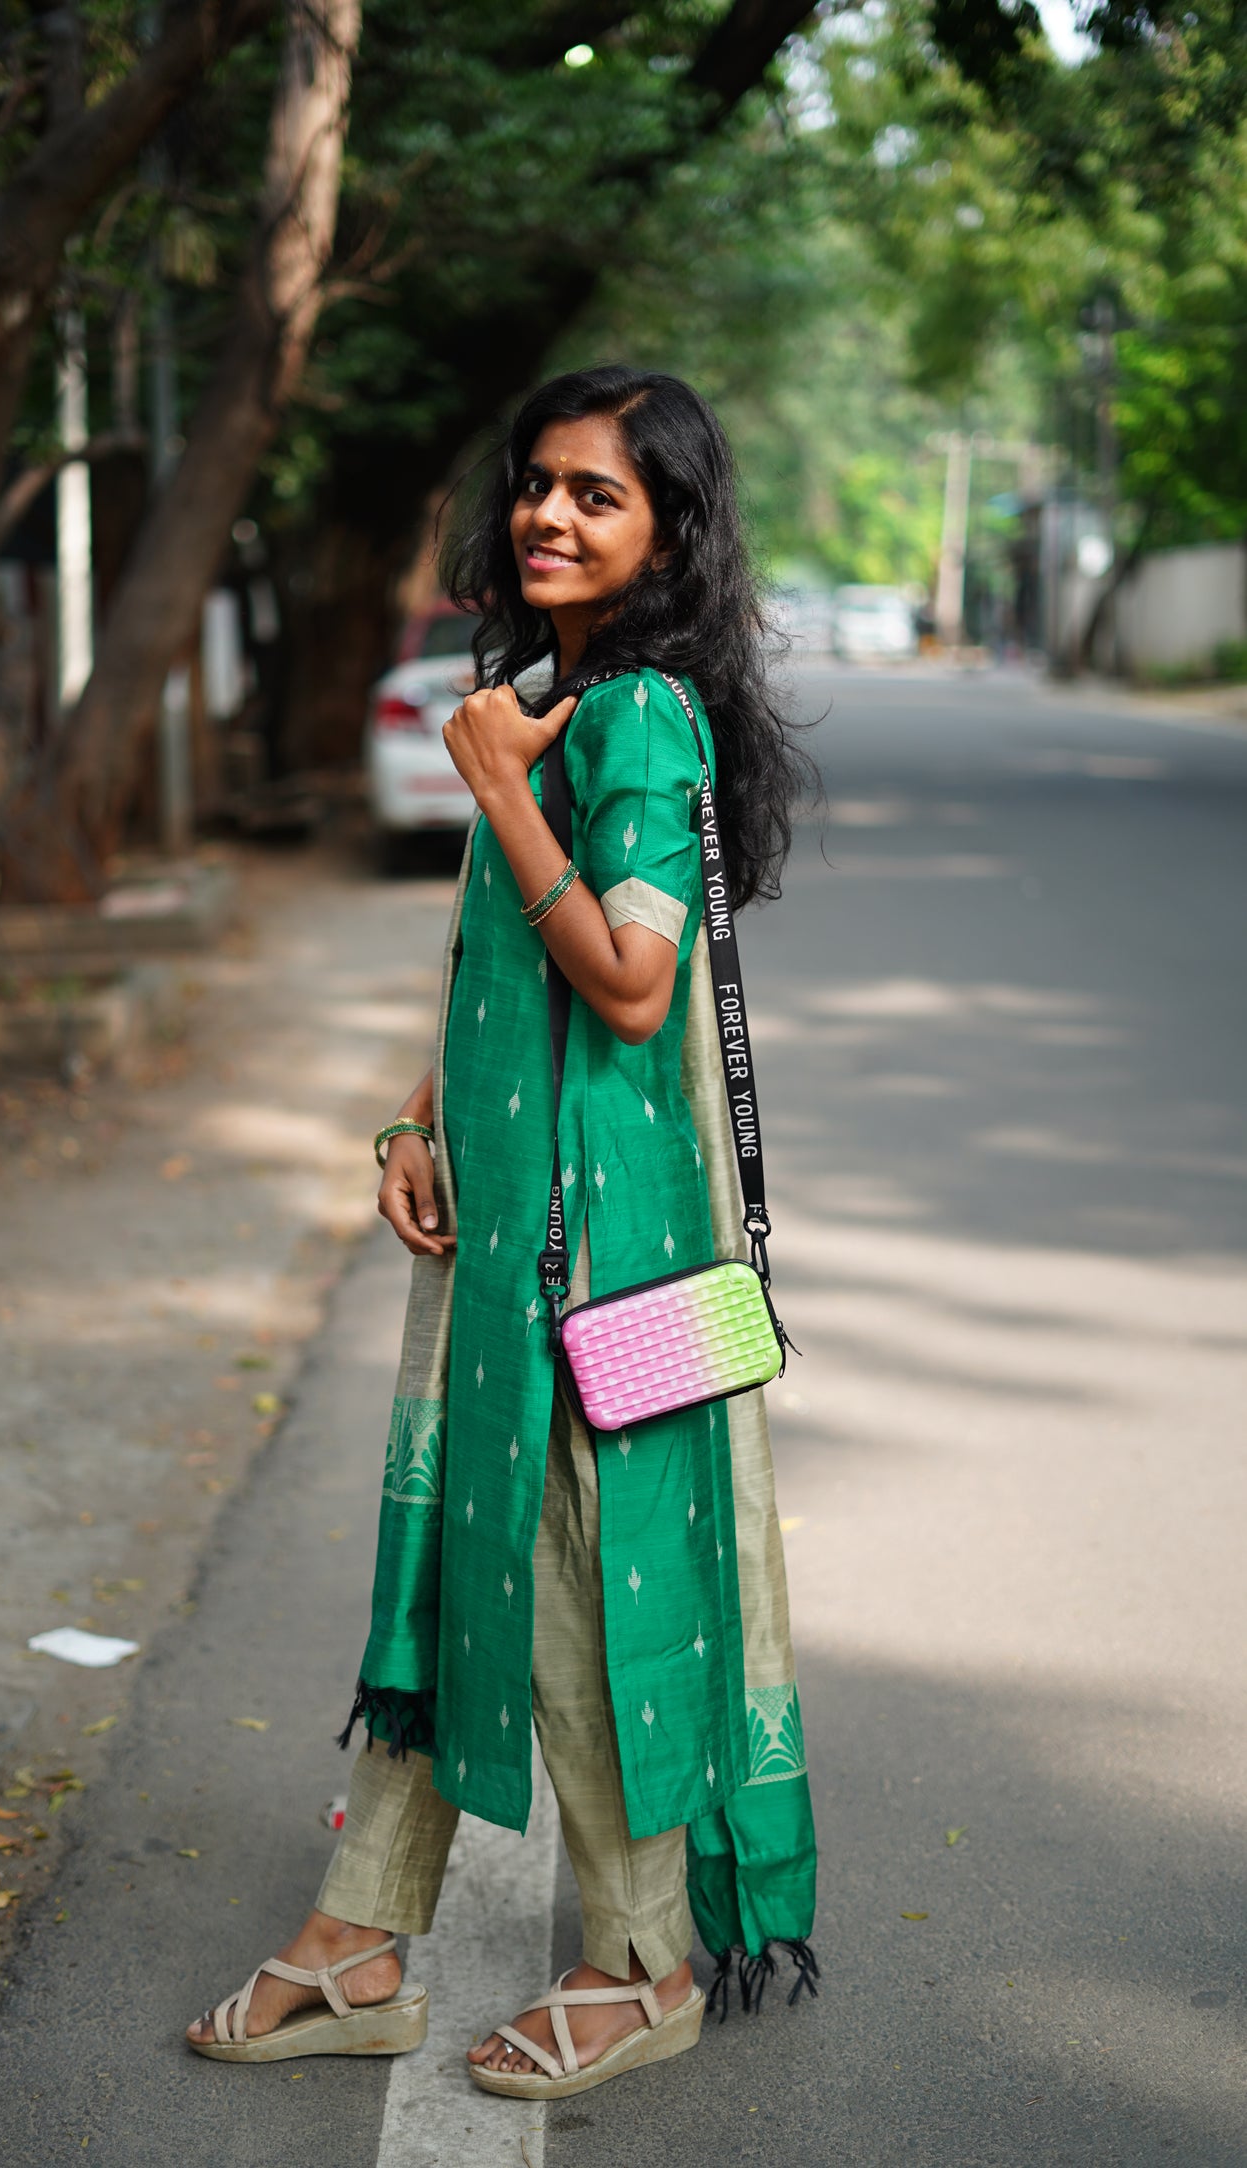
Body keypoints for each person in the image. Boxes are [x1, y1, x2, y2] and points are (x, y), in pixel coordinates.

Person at [187, 364, 820, 2099]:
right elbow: (501, 967)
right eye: (537, 483)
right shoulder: (558, 696)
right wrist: (411, 1109)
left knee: (574, 1592)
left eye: (597, 495)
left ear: (668, 533)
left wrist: (494, 782)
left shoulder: (635, 721)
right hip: (507, 1225)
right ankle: (360, 1933)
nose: (549, 514)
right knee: (457, 1556)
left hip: (594, 1259)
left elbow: (624, 988)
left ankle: (643, 1967)